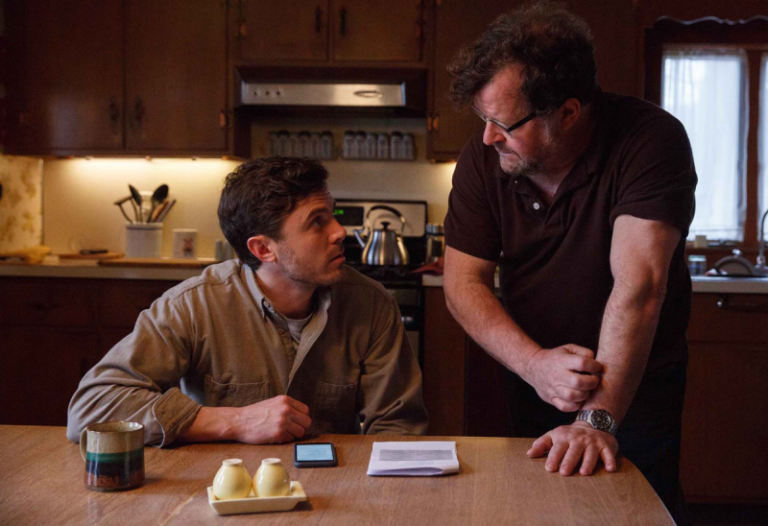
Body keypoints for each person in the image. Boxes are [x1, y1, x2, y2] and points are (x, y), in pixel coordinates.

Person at [442, 3, 696, 525]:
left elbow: (640, 286)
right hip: (535, 379)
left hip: (632, 390)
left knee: (633, 515)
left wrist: (596, 418)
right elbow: (463, 282)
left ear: (568, 113)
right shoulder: (483, 158)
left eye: (502, 123)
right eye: (483, 119)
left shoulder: (650, 140)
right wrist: (535, 365)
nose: (488, 137)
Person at [67, 157, 428, 447]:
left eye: (331, 214)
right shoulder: (193, 306)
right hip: (220, 491)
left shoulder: (371, 304)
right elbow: (91, 408)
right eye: (317, 223)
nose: (340, 232)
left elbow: (398, 429)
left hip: (337, 488)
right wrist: (236, 421)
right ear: (263, 249)